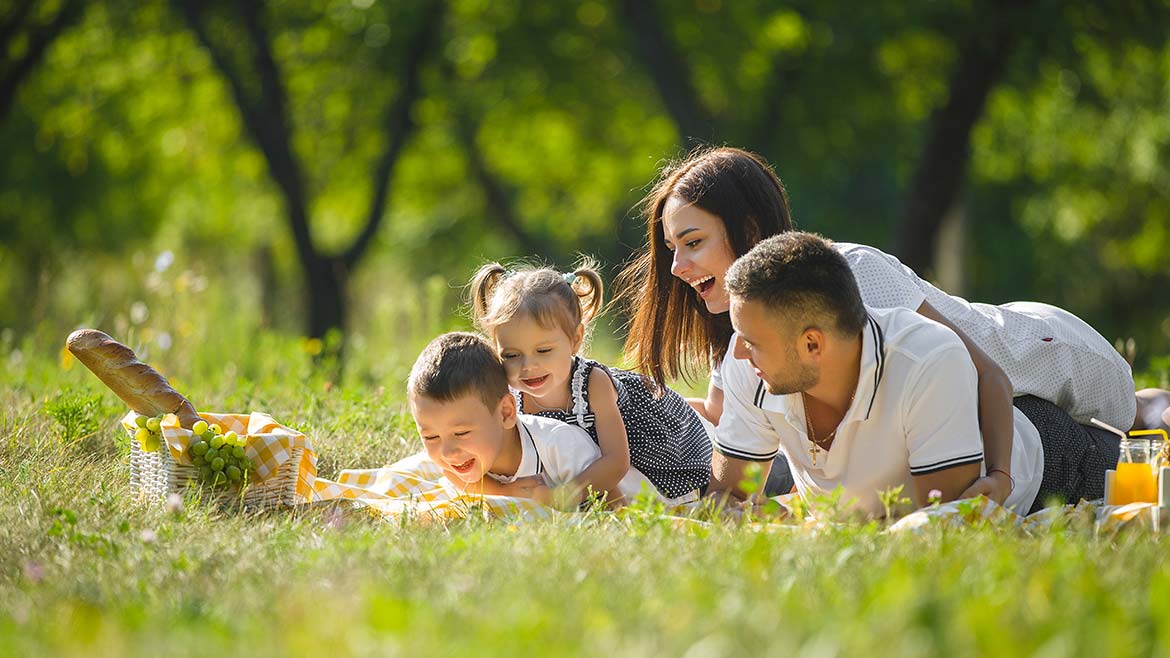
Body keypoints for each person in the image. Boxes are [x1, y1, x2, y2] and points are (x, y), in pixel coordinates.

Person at [618, 145, 1158, 504]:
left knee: (1134, 418)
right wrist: (619, 406)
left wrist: (999, 478)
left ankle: (1155, 403)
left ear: (750, 228)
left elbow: (985, 374)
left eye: (693, 243)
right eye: (672, 247)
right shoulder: (748, 328)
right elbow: (726, 418)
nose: (677, 267)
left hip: (1037, 354)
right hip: (981, 410)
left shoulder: (851, 278)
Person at [710, 232, 1120, 517]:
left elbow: (940, 523)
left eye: (751, 341)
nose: (738, 351)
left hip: (1049, 465)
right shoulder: (750, 364)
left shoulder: (925, 359)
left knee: (1140, 460)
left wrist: (1000, 474)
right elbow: (727, 499)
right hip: (954, 418)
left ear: (813, 345)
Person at [469, 261, 712, 504]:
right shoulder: (510, 394)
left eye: (543, 351)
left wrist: (562, 496)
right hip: (583, 468)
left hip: (647, 457)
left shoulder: (593, 384)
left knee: (643, 502)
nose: (528, 366)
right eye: (511, 355)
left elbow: (616, 461)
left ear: (575, 339)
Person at [407, 332, 659, 505]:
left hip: (649, 490)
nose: (448, 452)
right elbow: (451, 474)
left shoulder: (559, 445)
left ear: (506, 413)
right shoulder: (457, 457)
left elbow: (614, 498)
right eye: (430, 436)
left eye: (461, 433)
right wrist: (503, 491)